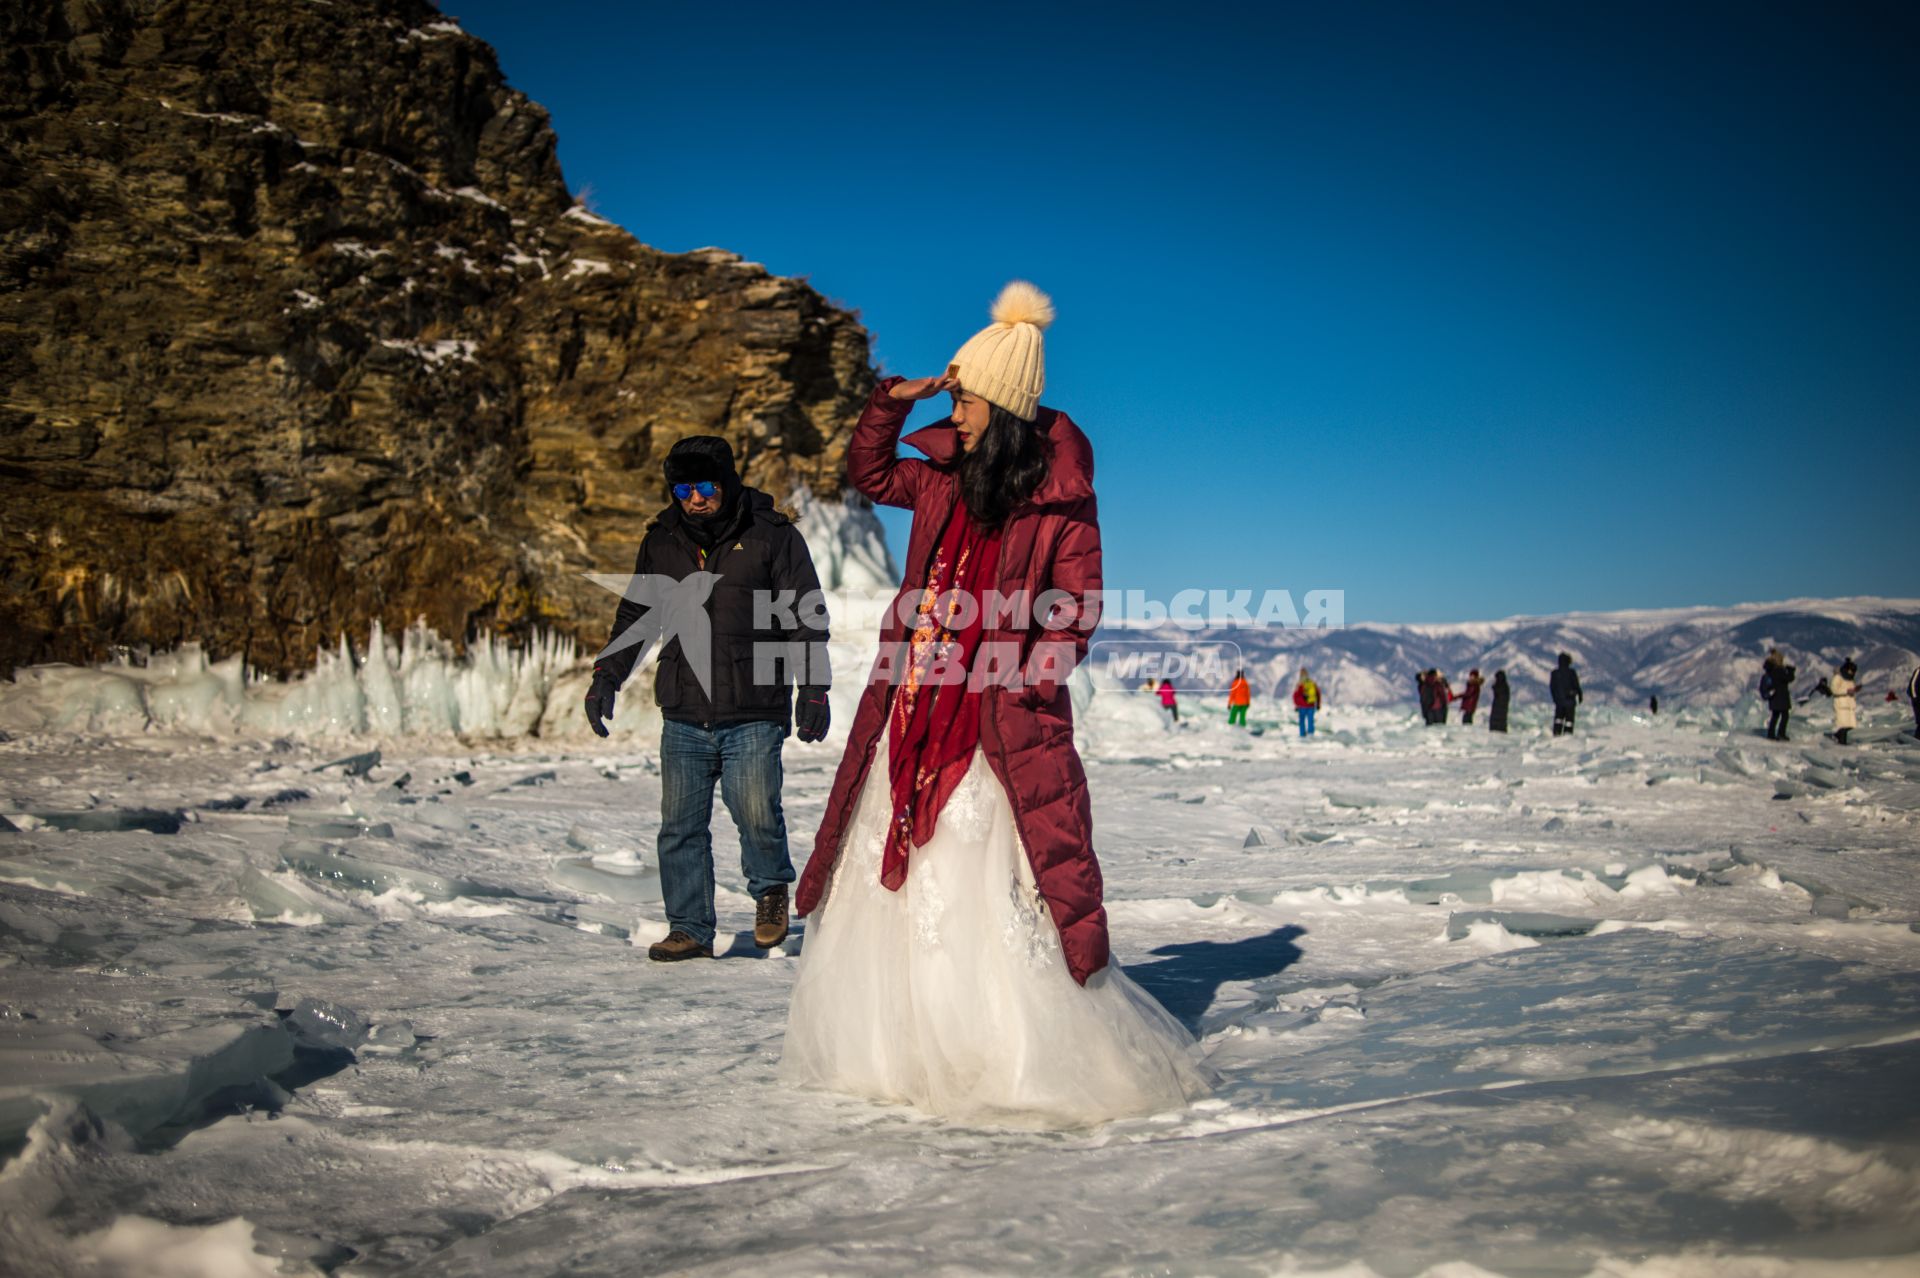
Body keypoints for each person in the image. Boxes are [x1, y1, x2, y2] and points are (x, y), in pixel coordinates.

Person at [782, 282, 1210, 1126]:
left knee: (973, 876)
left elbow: (1077, 604)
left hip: (996, 722)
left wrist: (1026, 671)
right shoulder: (939, 478)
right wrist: (887, 402)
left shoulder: (1060, 498)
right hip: (914, 706)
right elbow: (867, 472)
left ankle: (1000, 1055)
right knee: (892, 875)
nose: (959, 412)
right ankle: (898, 1053)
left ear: (1005, 407)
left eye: (969, 397)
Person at [584, 437, 833, 961]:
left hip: (753, 706)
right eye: (682, 489)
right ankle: (689, 928)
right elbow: (636, 616)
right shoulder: (662, 541)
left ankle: (769, 894)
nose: (694, 499)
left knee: (756, 812)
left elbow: (805, 617)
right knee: (680, 826)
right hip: (683, 707)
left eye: (704, 487)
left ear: (727, 482)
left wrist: (813, 688)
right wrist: (607, 675)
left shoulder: (771, 535)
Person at [1760, 650, 1795, 741]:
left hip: (1774, 697)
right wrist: (1791, 671)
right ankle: (1781, 733)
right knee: (1785, 716)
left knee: (1775, 716)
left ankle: (1771, 734)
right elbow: (1788, 679)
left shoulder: (1770, 670)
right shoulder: (1779, 670)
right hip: (1781, 697)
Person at [1549, 652, 1582, 736]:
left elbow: (1552, 688)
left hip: (1559, 702)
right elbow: (1576, 685)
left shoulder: (1554, 673)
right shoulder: (1571, 673)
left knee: (1558, 719)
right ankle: (1568, 734)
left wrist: (1555, 699)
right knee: (1569, 721)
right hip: (1570, 701)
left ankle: (1557, 733)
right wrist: (1580, 695)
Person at [1829, 657, 1859, 745]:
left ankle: (1840, 739)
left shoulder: (1850, 679)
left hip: (1849, 705)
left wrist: (1854, 690)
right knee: (1842, 725)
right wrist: (1846, 691)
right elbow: (1834, 690)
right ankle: (1841, 741)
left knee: (1849, 726)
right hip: (1841, 705)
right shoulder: (1838, 678)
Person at [1291, 668, 1321, 737]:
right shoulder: (1312, 683)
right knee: (1310, 720)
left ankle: (1302, 735)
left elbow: (1295, 695)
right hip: (1311, 705)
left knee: (1302, 721)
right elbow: (1318, 693)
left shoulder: (1300, 684)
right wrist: (1318, 704)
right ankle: (1311, 734)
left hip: (1302, 706)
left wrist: (1296, 705)